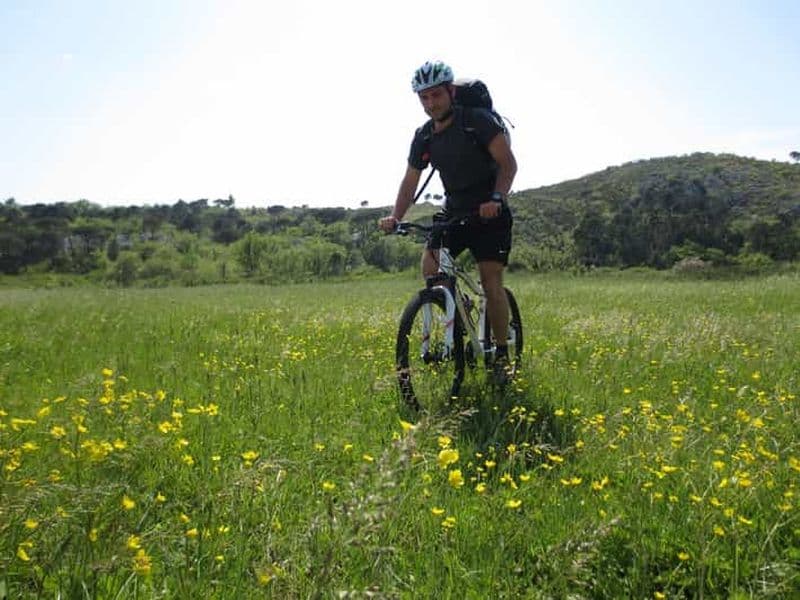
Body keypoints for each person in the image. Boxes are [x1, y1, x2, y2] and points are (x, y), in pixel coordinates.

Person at [379, 60, 518, 383]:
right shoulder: (424, 136)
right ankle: (458, 306)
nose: (431, 104)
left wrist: (497, 199)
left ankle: (500, 357)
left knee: (491, 282)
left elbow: (508, 165)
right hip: (456, 212)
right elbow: (410, 181)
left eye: (436, 96)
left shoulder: (477, 122)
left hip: (489, 212)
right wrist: (396, 217)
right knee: (429, 265)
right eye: (423, 98)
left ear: (450, 92)